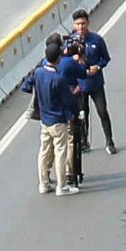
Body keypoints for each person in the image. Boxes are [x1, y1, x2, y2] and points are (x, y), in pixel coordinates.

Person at [21, 36, 84, 195]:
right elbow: (69, 100)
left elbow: (26, 86)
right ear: (59, 57)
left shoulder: (38, 72)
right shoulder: (58, 78)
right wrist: (77, 112)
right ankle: (62, 186)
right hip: (58, 120)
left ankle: (44, 183)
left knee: (44, 152)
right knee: (60, 152)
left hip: (44, 120)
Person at [65, 9, 116, 156]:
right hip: (80, 85)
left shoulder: (97, 40)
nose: (80, 27)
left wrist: (98, 67)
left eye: (83, 23)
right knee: (82, 115)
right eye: (78, 24)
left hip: (96, 83)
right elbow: (63, 62)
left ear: (88, 23)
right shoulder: (70, 42)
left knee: (102, 112)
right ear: (74, 25)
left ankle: (109, 141)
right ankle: (84, 141)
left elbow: (106, 58)